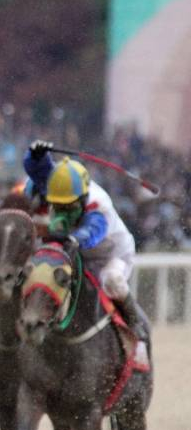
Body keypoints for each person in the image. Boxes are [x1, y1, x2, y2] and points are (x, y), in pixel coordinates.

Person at [23, 139, 149, 369]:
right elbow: (35, 170)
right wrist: (36, 155)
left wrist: (72, 239)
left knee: (113, 282)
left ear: (82, 199)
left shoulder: (98, 205)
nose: (60, 210)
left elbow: (92, 233)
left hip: (109, 255)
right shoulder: (59, 184)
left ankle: (136, 326)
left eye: (67, 206)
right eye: (57, 205)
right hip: (73, 250)